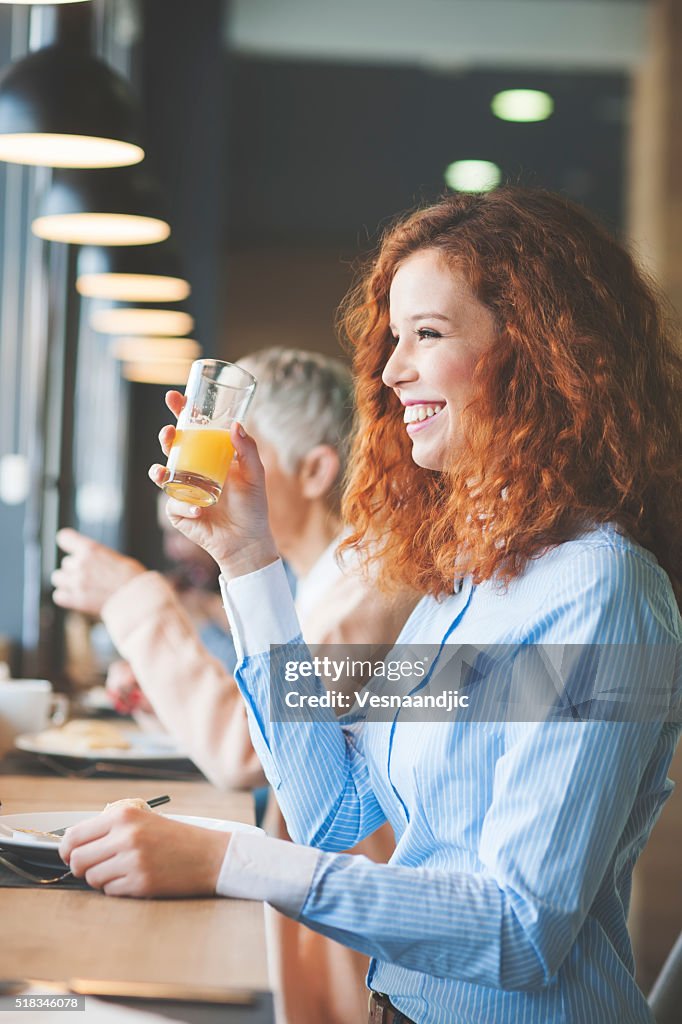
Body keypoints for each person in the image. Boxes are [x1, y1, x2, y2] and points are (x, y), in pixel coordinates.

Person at [60, 189, 682, 1024]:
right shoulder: (469, 583)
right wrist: (247, 560)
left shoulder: (602, 592)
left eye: (427, 334)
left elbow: (520, 933)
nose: (390, 371)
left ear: (540, 354)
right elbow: (336, 810)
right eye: (395, 338)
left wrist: (229, 860)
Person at [53, 347, 415, 1024]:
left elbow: (247, 753)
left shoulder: (374, 582)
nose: (222, 468)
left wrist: (135, 599)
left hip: (352, 958)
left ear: (315, 471)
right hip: (319, 924)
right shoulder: (322, 581)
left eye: (245, 451)